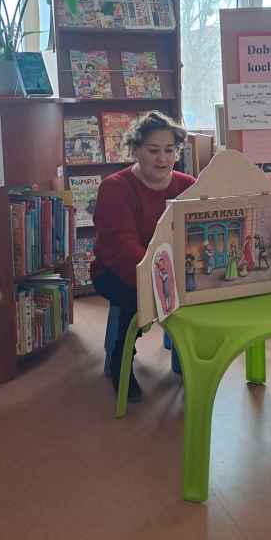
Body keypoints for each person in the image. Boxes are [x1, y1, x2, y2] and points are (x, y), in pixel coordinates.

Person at [92, 111, 195, 402]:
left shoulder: (188, 185)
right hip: (117, 271)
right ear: (135, 149)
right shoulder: (115, 187)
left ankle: (189, 355)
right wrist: (160, 277)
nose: (162, 159)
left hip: (172, 271)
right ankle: (119, 361)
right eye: (153, 151)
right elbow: (122, 249)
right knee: (132, 299)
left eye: (170, 150)